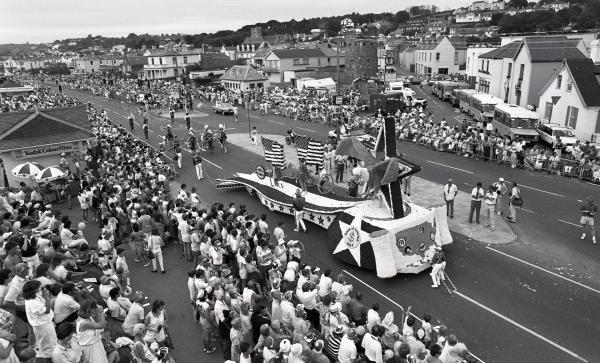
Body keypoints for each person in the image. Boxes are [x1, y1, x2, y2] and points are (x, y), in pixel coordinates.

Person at [23, 280, 57, 360]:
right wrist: (47, 298)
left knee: (48, 346)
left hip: (45, 324)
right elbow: (47, 310)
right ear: (34, 290)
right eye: (39, 288)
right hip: (43, 327)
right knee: (49, 349)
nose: (41, 289)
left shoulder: (34, 296)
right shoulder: (33, 303)